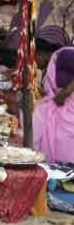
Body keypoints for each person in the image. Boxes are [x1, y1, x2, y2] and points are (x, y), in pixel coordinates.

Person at [35, 37, 74, 165]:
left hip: (67, 101)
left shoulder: (66, 54)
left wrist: (66, 92)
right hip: (58, 101)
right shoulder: (64, 53)